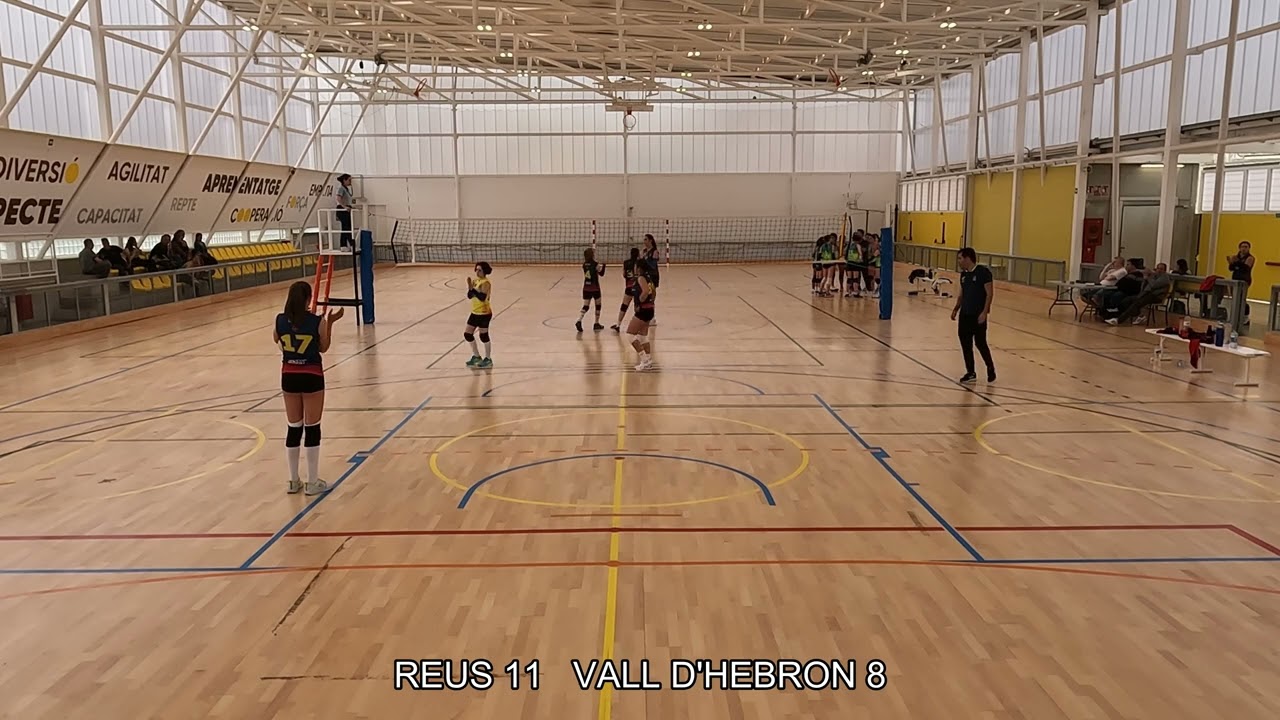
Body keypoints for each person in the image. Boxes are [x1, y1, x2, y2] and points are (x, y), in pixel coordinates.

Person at [275, 281, 343, 495]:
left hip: (289, 376)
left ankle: (293, 480)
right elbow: (323, 347)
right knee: (312, 427)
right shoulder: (317, 322)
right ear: (307, 299)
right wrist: (330, 323)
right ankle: (312, 481)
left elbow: (277, 341)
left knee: (294, 426)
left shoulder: (279, 320)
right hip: (311, 375)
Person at [951, 247, 996, 384]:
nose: (958, 261)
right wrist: (956, 309)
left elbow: (989, 294)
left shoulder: (983, 273)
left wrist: (984, 312)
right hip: (965, 314)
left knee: (980, 343)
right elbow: (962, 294)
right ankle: (971, 371)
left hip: (978, 315)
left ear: (967, 258)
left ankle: (990, 367)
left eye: (960, 258)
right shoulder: (964, 275)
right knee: (966, 344)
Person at [1105, 262, 1173, 326]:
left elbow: (1153, 285)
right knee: (1127, 300)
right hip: (1146, 294)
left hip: (1156, 296)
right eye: (1158, 268)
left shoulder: (1165, 278)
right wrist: (1145, 278)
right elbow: (1145, 287)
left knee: (1137, 303)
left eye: (1161, 269)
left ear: (1165, 270)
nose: (1159, 270)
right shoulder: (1154, 276)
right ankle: (1139, 315)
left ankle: (1118, 320)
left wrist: (1148, 277)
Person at [628, 264, 658, 371]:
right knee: (642, 336)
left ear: (639, 268)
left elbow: (645, 291)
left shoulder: (641, 278)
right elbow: (653, 292)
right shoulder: (649, 278)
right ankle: (649, 361)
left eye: (636, 266)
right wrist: (651, 301)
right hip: (650, 309)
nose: (635, 268)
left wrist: (641, 300)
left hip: (643, 310)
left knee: (630, 335)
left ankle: (644, 360)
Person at [464, 261, 494, 368]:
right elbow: (469, 295)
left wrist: (473, 289)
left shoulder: (485, 283)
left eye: (480, 270)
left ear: (484, 271)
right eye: (476, 269)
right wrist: (469, 287)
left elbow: (482, 297)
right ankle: (476, 356)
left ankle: (488, 359)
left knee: (483, 336)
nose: (477, 272)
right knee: (467, 334)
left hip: (484, 313)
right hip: (474, 312)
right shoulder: (475, 281)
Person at [611, 247, 641, 332]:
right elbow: (639, 274)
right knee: (637, 306)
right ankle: (638, 326)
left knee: (624, 305)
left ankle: (618, 324)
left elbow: (624, 274)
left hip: (628, 287)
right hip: (637, 287)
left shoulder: (626, 262)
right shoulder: (639, 263)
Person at [577, 248, 606, 333]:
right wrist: (604, 266)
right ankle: (596, 323)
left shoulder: (584, 264)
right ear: (591, 255)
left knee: (586, 306)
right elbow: (602, 274)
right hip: (595, 288)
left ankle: (579, 320)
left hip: (586, 287)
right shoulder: (595, 264)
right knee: (598, 305)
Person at [1227, 240, 1255, 322]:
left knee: (1242, 299)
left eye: (1246, 247)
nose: (1244, 249)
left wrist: (1236, 263)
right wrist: (1233, 263)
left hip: (1244, 280)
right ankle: (1235, 316)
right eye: (1242, 247)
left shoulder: (1250, 258)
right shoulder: (1236, 257)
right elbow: (1231, 268)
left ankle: (1245, 317)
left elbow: (1245, 268)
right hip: (1235, 279)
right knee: (1235, 298)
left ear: (1249, 248)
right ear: (1239, 248)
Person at [641, 234, 660, 325]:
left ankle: (652, 317)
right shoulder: (644, 251)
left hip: (652, 276)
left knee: (651, 296)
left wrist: (645, 261)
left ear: (650, 240)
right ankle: (644, 316)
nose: (644, 241)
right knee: (644, 294)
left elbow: (653, 265)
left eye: (645, 239)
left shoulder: (654, 252)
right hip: (644, 276)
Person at [843, 230, 866, 298]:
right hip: (855, 263)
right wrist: (860, 259)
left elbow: (844, 252)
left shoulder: (849, 244)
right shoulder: (857, 245)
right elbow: (860, 254)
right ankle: (855, 292)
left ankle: (848, 292)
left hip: (849, 263)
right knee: (855, 278)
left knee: (849, 278)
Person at [335, 174, 354, 248]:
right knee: (346, 227)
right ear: (344, 180)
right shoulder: (341, 188)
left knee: (346, 227)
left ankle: (344, 245)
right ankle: (350, 244)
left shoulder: (346, 189)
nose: (350, 181)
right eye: (349, 180)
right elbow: (338, 198)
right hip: (342, 209)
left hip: (347, 209)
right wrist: (344, 207)